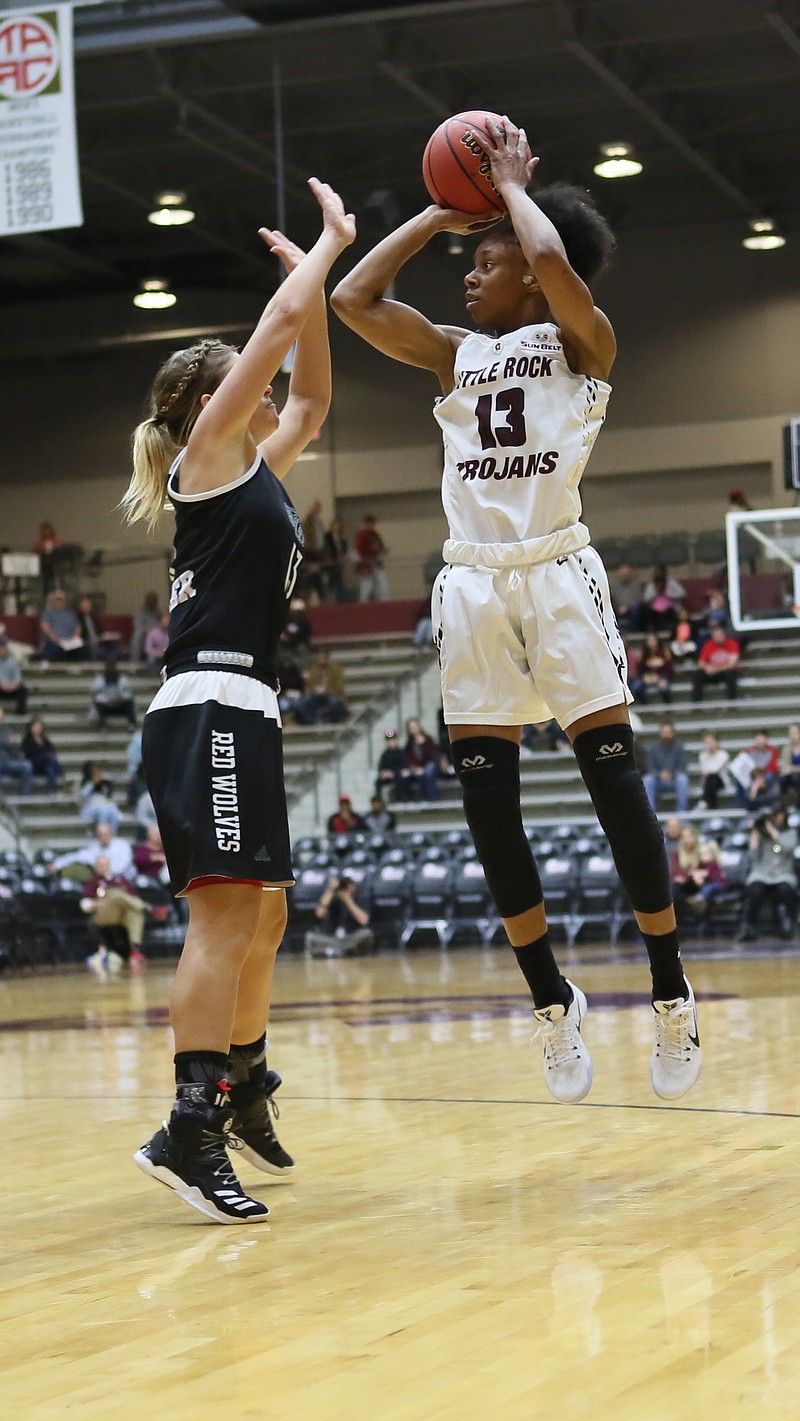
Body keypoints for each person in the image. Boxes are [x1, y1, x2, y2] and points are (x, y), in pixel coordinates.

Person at [332, 116, 700, 1104]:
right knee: (488, 806)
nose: (470, 272)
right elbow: (350, 297)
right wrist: (440, 213)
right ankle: (549, 998)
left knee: (612, 786)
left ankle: (668, 983)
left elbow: (546, 251)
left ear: (530, 276)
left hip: (554, 569)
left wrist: (510, 196)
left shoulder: (582, 341)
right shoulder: (451, 353)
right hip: (471, 580)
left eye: (483, 261)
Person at [120, 176, 355, 1223]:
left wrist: (314, 288)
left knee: (266, 909)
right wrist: (325, 249)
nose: (265, 394)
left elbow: (310, 400)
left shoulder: (255, 460)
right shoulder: (210, 457)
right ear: (212, 399)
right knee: (221, 920)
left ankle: (243, 1074)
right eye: (245, 382)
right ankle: (188, 1124)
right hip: (206, 701)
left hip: (244, 705)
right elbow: (274, 331)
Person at [739, 805, 798, 942]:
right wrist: (755, 832)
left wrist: (771, 830)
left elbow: (788, 848)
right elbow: (753, 856)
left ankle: (791, 924)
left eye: (780, 814)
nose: (777, 818)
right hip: (762, 873)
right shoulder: (760, 833)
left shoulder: (790, 832)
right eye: (775, 815)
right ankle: (748, 926)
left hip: (783, 873)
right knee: (754, 890)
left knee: (785, 889)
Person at [82, 855, 148, 974]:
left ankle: (135, 950)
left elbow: (134, 897)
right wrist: (94, 904)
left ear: (110, 865)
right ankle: (148, 908)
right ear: (96, 867)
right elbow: (84, 904)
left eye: (105, 865)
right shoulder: (93, 882)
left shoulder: (121, 880)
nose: (102, 868)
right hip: (104, 914)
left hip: (122, 915)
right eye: (100, 865)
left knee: (135, 913)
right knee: (115, 894)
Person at [305, 872, 374, 957]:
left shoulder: (360, 898)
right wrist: (330, 890)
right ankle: (345, 951)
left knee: (367, 934)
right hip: (333, 938)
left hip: (351, 936)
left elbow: (364, 921)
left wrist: (348, 900)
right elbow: (319, 914)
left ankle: (332, 952)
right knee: (310, 937)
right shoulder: (332, 898)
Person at [52, 821, 134, 880]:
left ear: (111, 834)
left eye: (105, 834)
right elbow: (77, 856)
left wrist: (105, 870)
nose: (103, 837)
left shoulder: (122, 845)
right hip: (102, 881)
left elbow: (123, 865)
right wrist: (57, 864)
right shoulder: (95, 848)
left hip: (124, 880)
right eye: (100, 835)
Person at [642, 723, 691, 815]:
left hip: (674, 780)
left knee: (683, 779)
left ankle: (682, 813)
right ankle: (650, 813)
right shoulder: (653, 749)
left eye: (668, 732)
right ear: (660, 733)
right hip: (658, 781)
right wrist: (659, 774)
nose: (666, 735)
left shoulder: (679, 748)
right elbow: (649, 767)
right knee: (647, 780)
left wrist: (671, 774)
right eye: (664, 732)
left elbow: (682, 766)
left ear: (673, 733)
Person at [293, 647, 348, 725]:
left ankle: (332, 722)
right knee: (300, 704)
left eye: (322, 658)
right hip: (317, 696)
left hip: (333, 695)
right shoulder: (314, 670)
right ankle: (314, 723)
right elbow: (310, 685)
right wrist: (315, 689)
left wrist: (326, 690)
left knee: (334, 702)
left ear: (327, 658)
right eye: (318, 658)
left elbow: (340, 687)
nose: (319, 660)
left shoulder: (336, 670)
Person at [691, 623, 740, 702]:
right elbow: (701, 663)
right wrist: (707, 668)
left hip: (724, 672)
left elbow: (732, 664)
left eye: (719, 635)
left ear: (724, 635)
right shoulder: (708, 645)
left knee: (730, 674)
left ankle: (732, 702)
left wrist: (716, 669)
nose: (717, 637)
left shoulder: (732, 644)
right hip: (711, 672)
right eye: (715, 636)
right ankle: (697, 703)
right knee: (698, 675)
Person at [38, 590, 85, 661]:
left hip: (71, 641)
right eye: (56, 601)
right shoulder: (48, 613)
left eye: (61, 600)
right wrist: (55, 638)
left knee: (83, 649)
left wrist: (75, 638)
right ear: (52, 602)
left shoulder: (71, 613)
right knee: (55, 649)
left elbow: (78, 627)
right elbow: (45, 626)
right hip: (54, 642)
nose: (59, 603)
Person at [21, 717, 66, 791]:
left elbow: (52, 751)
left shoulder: (44, 740)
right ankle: (62, 774)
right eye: (35, 726)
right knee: (47, 756)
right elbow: (28, 754)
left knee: (49, 768)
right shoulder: (27, 740)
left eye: (39, 727)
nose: (37, 729)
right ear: (31, 727)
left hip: (45, 765)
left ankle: (52, 792)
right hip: (34, 765)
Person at [89, 660, 137, 729]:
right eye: (109, 668)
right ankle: (102, 726)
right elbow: (95, 694)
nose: (110, 670)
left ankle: (132, 725)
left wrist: (121, 699)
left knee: (129, 703)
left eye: (112, 667)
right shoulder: (99, 679)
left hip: (119, 705)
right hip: (106, 706)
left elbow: (129, 693)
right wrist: (109, 700)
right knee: (99, 704)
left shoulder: (123, 679)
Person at [629, 633, 674, 705]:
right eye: (649, 640)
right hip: (647, 676)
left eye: (653, 640)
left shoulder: (664, 652)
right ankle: (644, 704)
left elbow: (670, 668)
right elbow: (640, 668)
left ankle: (668, 704)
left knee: (664, 687)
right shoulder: (643, 653)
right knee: (636, 687)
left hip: (661, 675)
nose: (651, 642)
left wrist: (659, 676)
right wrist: (644, 676)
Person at [640, 565, 684, 637]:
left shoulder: (672, 583)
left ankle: (671, 629)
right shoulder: (651, 585)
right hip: (655, 611)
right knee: (648, 613)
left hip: (670, 610)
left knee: (672, 612)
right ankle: (653, 630)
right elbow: (646, 599)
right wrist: (655, 593)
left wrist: (668, 594)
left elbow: (682, 593)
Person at [354, 514, 389, 602]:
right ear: (366, 524)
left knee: (382, 584)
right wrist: (372, 549)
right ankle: (363, 604)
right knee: (366, 585)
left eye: (373, 524)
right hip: (367, 563)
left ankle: (384, 602)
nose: (372, 526)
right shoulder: (362, 534)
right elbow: (359, 548)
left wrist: (382, 549)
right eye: (370, 524)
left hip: (376, 562)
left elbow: (380, 545)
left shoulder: (375, 534)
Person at [404, 717, 439, 801]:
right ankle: (423, 799)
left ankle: (433, 798)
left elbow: (434, 755)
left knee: (428, 771)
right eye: (411, 728)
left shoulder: (428, 740)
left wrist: (423, 767)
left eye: (415, 726)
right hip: (417, 768)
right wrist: (413, 767)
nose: (414, 729)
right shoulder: (410, 744)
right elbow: (408, 758)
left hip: (430, 764)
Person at [79, 760, 120, 832]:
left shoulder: (105, 782)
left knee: (113, 812)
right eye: (94, 772)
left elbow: (108, 795)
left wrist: (102, 783)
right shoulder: (85, 783)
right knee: (103, 811)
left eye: (98, 772)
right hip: (90, 807)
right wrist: (93, 783)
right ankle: (102, 832)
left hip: (103, 804)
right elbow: (83, 796)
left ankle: (112, 834)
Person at [375, 726, 413, 802]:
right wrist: (384, 774)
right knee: (377, 782)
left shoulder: (402, 753)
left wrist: (394, 773)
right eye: (389, 740)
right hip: (388, 776)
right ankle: (379, 801)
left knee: (402, 778)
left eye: (393, 740)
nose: (391, 742)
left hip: (399, 776)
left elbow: (404, 767)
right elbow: (381, 768)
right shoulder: (385, 755)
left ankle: (402, 799)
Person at [0, 706, 33, 794]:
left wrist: (14, 742)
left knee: (27, 766)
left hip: (8, 763)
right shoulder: (7, 735)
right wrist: (7, 742)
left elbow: (16, 746)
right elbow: (7, 742)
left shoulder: (7, 731)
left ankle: (24, 799)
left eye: (1, 716)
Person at [300, 499, 327, 601]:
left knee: (319, 580)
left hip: (318, 554)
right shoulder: (307, 523)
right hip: (310, 555)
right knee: (310, 581)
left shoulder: (319, 523)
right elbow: (306, 539)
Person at [697, 732, 730, 810]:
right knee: (710, 781)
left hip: (720, 781)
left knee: (712, 777)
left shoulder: (723, 755)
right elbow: (703, 771)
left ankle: (703, 801)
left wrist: (707, 770)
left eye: (711, 741)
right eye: (707, 742)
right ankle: (713, 809)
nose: (709, 744)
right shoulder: (703, 755)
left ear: (717, 742)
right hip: (708, 782)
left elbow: (715, 769)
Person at [0, 632, 29, 715]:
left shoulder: (12, 661)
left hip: (12, 688)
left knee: (23, 689)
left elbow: (18, 677)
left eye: (2, 647)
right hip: (1, 688)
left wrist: (13, 685)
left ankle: (20, 713)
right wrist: (2, 685)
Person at [608, 563, 641, 632]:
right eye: (623, 574)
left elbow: (638, 600)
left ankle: (634, 632)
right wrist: (619, 607)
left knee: (636, 611)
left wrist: (627, 607)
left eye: (626, 574)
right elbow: (613, 599)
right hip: (618, 609)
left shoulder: (636, 586)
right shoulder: (615, 587)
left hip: (631, 609)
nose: (625, 575)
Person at [131, 591, 162, 662]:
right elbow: (137, 627)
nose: (152, 602)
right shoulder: (140, 613)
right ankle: (135, 662)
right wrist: (148, 630)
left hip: (157, 634)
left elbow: (162, 624)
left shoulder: (159, 613)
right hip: (144, 634)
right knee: (137, 636)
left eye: (154, 600)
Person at [323, 516, 348, 601]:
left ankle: (340, 598)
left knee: (337, 580)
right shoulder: (327, 537)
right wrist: (334, 557)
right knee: (333, 580)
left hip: (339, 563)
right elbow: (327, 549)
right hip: (331, 563)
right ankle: (330, 597)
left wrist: (343, 555)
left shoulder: (341, 538)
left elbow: (344, 548)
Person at [779, 722, 800, 802]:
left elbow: (791, 768)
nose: (793, 736)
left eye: (795, 733)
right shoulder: (786, 749)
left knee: (796, 777)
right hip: (790, 777)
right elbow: (784, 766)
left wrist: (793, 769)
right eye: (791, 733)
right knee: (783, 778)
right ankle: (784, 804)